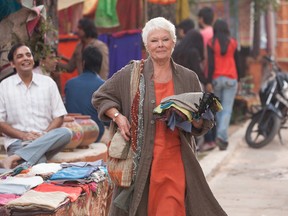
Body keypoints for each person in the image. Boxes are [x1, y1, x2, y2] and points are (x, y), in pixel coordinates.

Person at [92, 17, 227, 216]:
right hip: (141, 162)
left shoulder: (188, 77)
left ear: (173, 42)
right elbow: (101, 96)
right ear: (146, 45)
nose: (160, 45)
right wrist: (118, 117)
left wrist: (190, 117)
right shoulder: (131, 74)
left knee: (171, 208)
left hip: (176, 160)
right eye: (154, 40)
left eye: (165, 39)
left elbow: (202, 121)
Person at [0, 43, 72, 169]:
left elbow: (59, 116)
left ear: (33, 60)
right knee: (39, 164)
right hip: (18, 142)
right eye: (20, 56)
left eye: (28, 55)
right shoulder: (4, 86)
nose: (26, 58)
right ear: (12, 63)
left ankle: (15, 158)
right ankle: (25, 160)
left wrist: (44, 134)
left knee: (66, 132)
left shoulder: (48, 83)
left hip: (46, 139)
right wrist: (23, 135)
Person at [207, 19, 240, 150]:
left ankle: (222, 138)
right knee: (227, 109)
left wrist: (209, 81)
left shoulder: (211, 43)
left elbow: (210, 64)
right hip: (231, 79)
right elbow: (238, 63)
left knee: (219, 110)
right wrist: (240, 80)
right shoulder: (233, 42)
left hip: (216, 79)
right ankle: (222, 137)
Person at [65, 46, 107, 142]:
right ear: (100, 66)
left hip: (72, 134)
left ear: (83, 63)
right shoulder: (103, 86)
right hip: (95, 135)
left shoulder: (69, 83)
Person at [197, 6, 217, 152]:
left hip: (205, 75)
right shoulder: (216, 33)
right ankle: (213, 139)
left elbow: (203, 57)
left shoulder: (202, 34)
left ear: (201, 19)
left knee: (206, 108)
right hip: (218, 73)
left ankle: (209, 140)